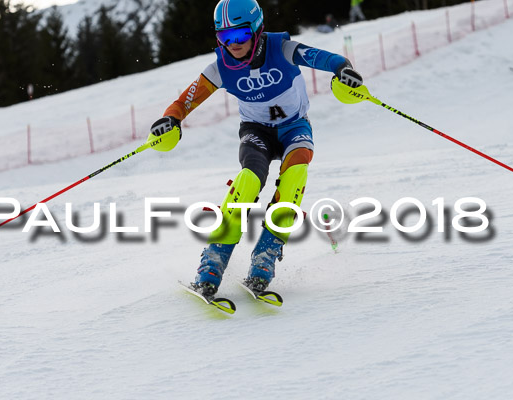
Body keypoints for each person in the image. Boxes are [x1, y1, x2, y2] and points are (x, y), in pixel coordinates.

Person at [150, 0, 363, 296]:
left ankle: (265, 258)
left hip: (294, 127)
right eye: (225, 37)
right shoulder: (221, 66)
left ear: (257, 29)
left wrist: (343, 69)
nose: (233, 44)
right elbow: (185, 101)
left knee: (296, 174)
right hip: (256, 131)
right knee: (249, 179)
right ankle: (212, 262)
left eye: (239, 36)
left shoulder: (282, 48)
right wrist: (170, 120)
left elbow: (326, 59)